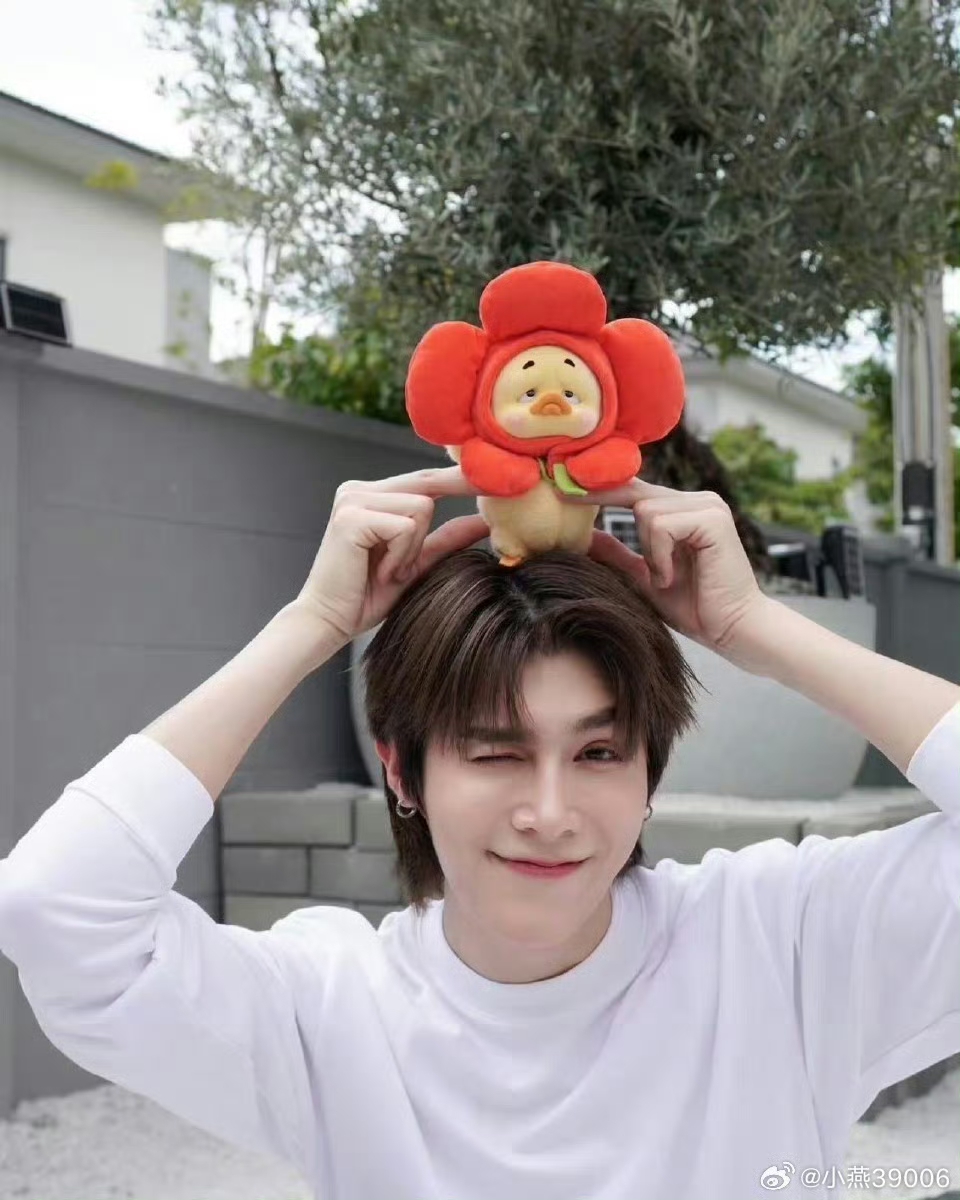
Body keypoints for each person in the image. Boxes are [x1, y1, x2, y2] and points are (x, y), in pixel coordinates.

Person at [0, 465, 957, 1200]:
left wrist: (757, 628)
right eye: (497, 753)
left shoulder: (781, 945)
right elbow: (54, 908)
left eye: (598, 753)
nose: (550, 812)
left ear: (651, 770)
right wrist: (312, 623)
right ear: (401, 769)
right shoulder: (328, 1008)